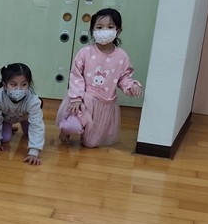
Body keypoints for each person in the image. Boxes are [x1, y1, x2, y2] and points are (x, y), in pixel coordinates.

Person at [56, 8, 144, 148]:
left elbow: (124, 77)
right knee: (71, 126)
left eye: (110, 27)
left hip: (104, 104)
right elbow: (76, 76)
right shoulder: (85, 53)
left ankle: (85, 132)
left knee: (90, 144)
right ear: (93, 30)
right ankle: (67, 129)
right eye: (99, 27)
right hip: (83, 100)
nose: (104, 30)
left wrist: (131, 86)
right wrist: (76, 98)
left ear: (118, 31)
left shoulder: (122, 56)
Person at [0, 63, 45, 166]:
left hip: (25, 117)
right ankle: (9, 126)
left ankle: (22, 124)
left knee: (29, 133)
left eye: (24, 85)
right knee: (5, 138)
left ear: (29, 84)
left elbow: (37, 125)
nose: (19, 89)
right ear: (5, 85)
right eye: (13, 85)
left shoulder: (33, 100)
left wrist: (34, 152)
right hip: (6, 119)